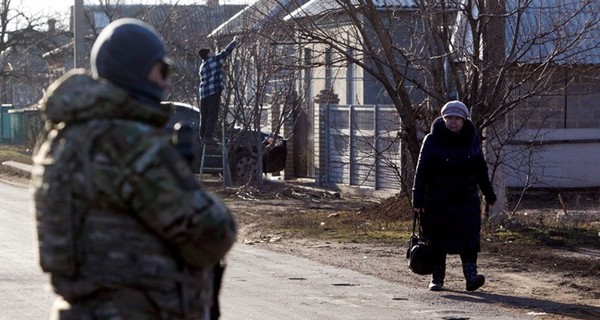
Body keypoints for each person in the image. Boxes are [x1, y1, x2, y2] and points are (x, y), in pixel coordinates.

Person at [31, 18, 237, 319]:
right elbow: (214, 233)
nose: (168, 82)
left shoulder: (60, 139)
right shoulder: (128, 142)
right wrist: (182, 178)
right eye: (162, 70)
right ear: (136, 71)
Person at [412, 100, 497, 292]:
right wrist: (417, 199)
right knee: (437, 240)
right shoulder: (432, 140)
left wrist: (488, 193)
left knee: (469, 239)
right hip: (437, 200)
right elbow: (421, 171)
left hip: (466, 199)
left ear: (464, 120)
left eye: (457, 118)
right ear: (443, 118)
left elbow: (480, 169)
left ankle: (471, 277)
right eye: (449, 117)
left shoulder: (472, 139)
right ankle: (437, 278)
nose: (452, 122)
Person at [198, 36, 238, 144]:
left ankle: (203, 136)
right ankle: (208, 136)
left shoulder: (203, 65)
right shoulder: (213, 61)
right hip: (213, 92)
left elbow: (214, 72)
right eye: (211, 52)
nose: (213, 53)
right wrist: (234, 41)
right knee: (212, 114)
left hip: (203, 94)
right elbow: (225, 53)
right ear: (208, 55)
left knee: (204, 115)